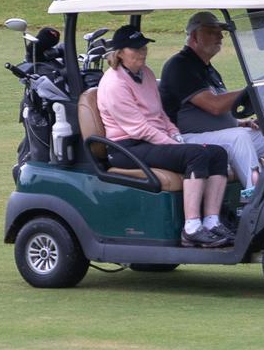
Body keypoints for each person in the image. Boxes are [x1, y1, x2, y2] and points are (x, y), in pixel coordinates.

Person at [95, 26, 233, 246]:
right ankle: (191, 228)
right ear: (119, 52)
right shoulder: (114, 84)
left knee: (217, 153)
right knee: (196, 156)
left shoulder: (146, 74)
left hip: (151, 141)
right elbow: (138, 128)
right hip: (127, 148)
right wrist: (172, 144)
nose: (142, 52)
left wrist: (175, 135)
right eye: (135, 48)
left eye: (144, 47)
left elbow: (159, 114)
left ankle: (211, 222)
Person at [159, 12, 264, 203]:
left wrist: (239, 122)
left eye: (221, 32)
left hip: (214, 135)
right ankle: (258, 203)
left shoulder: (207, 68)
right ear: (194, 36)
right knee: (239, 138)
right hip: (184, 139)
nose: (220, 37)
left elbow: (222, 108)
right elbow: (214, 106)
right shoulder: (180, 66)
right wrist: (252, 89)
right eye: (212, 32)